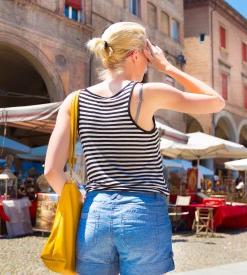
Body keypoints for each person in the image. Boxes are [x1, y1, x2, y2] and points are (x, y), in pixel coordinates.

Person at [44, 22, 225, 275]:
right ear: (136, 55)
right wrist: (168, 67)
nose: (149, 64)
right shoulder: (146, 94)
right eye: (148, 59)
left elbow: (52, 170)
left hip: (95, 210)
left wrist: (85, 200)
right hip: (143, 211)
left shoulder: (74, 101)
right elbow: (216, 102)